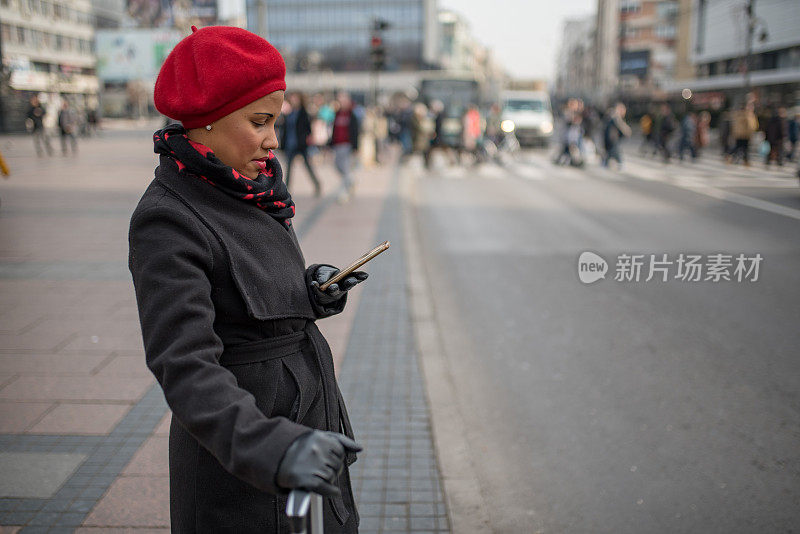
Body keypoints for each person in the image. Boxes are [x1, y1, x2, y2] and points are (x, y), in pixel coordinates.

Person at [128, 26, 365, 533]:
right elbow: (185, 367)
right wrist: (275, 450)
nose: (273, 139)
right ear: (206, 120)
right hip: (243, 458)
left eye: (275, 120)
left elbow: (247, 293)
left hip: (306, 425)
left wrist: (312, 291)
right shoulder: (168, 218)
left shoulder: (251, 187)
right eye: (259, 121)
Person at [281, 92, 321, 196]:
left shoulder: (303, 113)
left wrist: (306, 139)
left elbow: (308, 129)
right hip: (290, 144)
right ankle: (286, 190)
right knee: (288, 168)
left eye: (296, 98)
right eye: (292, 98)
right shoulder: (289, 113)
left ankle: (317, 184)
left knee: (308, 166)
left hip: (301, 144)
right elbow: (285, 129)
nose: (294, 100)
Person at [329, 91, 360, 203]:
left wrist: (355, 147)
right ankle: (351, 180)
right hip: (337, 145)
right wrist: (331, 143)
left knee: (346, 169)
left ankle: (343, 193)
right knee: (337, 166)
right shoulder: (337, 114)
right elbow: (334, 129)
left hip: (347, 145)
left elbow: (356, 131)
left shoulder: (352, 115)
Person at [602, 102, 632, 168]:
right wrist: (627, 131)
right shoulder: (615, 116)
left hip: (611, 139)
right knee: (614, 151)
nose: (624, 113)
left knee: (610, 152)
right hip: (612, 139)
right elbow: (621, 126)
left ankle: (605, 162)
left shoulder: (612, 116)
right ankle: (618, 163)